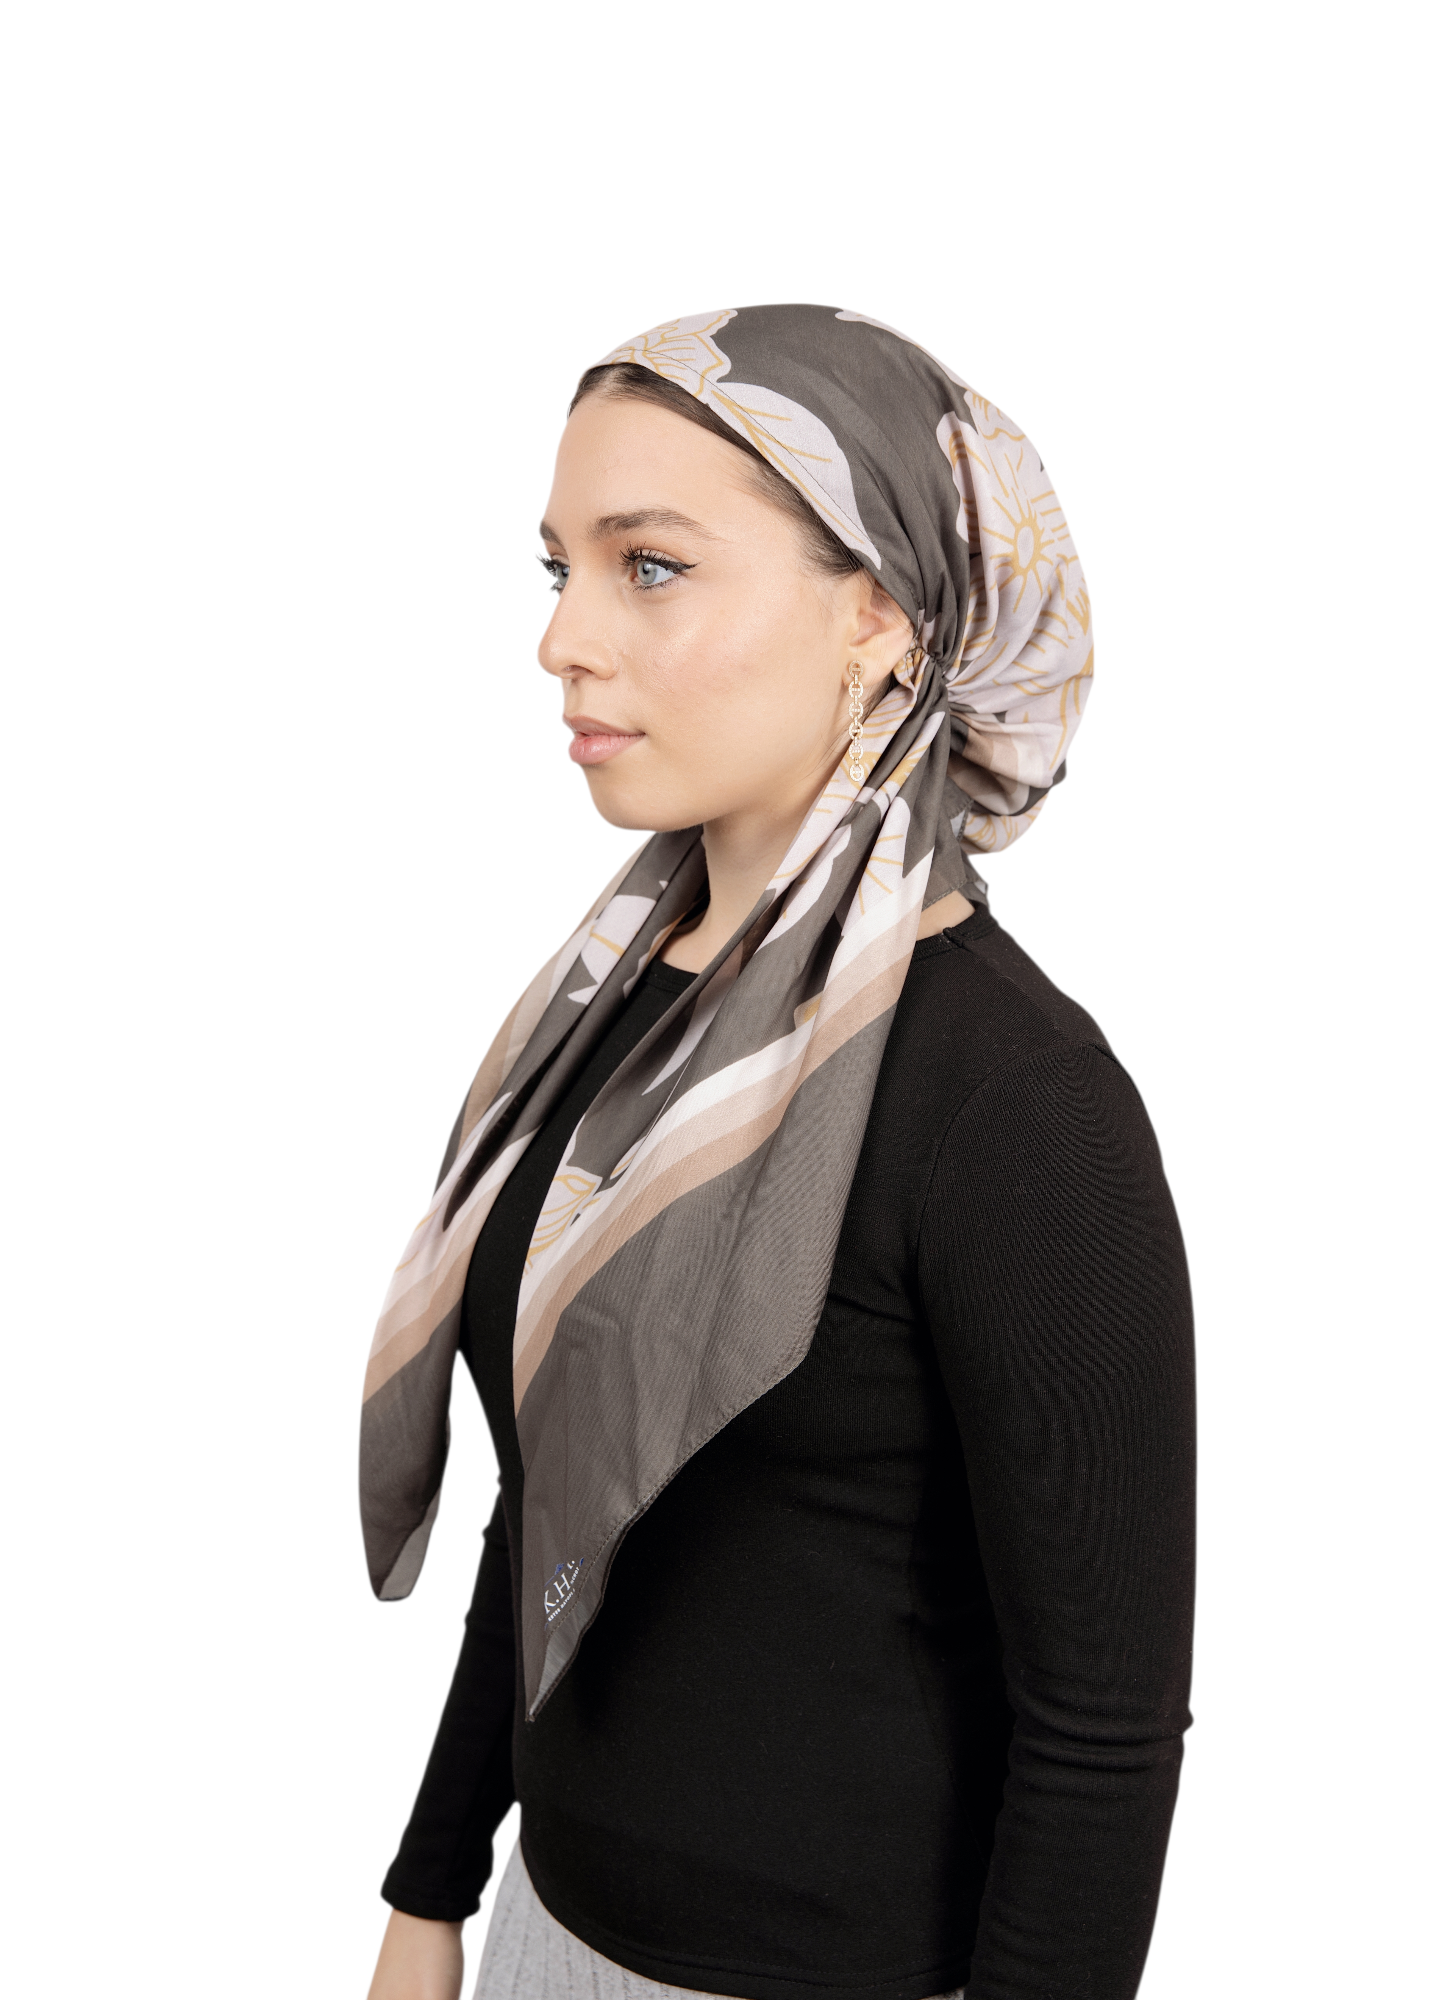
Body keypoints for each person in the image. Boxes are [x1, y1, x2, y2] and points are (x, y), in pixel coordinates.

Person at [360, 306, 1195, 2000]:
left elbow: (1100, 1728)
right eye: (561, 571)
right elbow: (560, 1493)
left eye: (651, 567)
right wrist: (433, 1891)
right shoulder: (609, 1019)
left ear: (881, 617)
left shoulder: (1017, 1105)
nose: (564, 640)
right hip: (547, 1933)